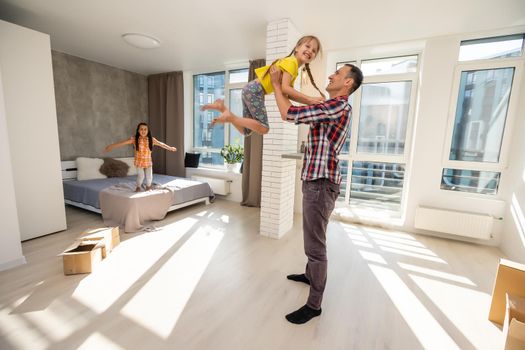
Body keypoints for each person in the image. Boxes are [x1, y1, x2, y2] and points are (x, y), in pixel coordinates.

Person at [270, 63, 363, 324]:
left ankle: (314, 305)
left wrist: (278, 85)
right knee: (312, 239)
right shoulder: (332, 106)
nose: (332, 75)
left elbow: (288, 114)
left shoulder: (339, 105)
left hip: (321, 183)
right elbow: (302, 109)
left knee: (315, 247)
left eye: (338, 73)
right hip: (317, 180)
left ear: (348, 82)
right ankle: (310, 275)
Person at [201, 35, 326, 136]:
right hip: (254, 90)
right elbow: (285, 88)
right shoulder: (292, 63)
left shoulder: (292, 66)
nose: (310, 51)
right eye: (308, 46)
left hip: (250, 89)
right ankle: (229, 117)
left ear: (313, 57)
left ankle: (222, 108)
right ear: (297, 47)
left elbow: (287, 93)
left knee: (246, 131)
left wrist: (310, 101)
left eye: (314, 51)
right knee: (264, 128)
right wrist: (310, 99)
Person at [103, 122, 177, 192]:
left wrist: (170, 148)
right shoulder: (134, 139)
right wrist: (111, 146)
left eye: (145, 129)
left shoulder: (152, 139)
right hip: (139, 162)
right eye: (141, 129)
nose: (143, 131)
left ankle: (148, 186)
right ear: (138, 130)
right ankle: (138, 186)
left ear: (148, 131)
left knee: (149, 177)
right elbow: (123, 143)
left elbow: (162, 144)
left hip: (148, 162)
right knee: (141, 176)